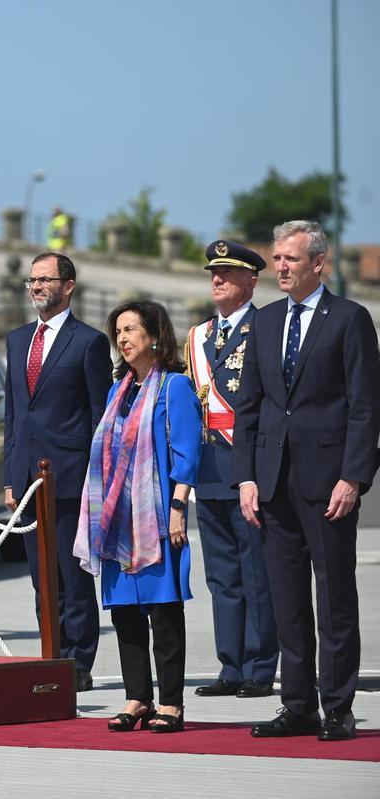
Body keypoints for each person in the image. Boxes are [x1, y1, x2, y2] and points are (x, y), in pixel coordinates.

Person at [235, 221, 380, 742]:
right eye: (276, 258)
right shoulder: (266, 323)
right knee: (288, 602)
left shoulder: (350, 320)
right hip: (272, 483)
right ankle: (296, 705)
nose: (280, 267)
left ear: (319, 262)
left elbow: (366, 407)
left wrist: (354, 477)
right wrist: (245, 478)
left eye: (290, 259)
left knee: (335, 599)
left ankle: (337, 706)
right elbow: (249, 408)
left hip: (329, 484)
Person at [75, 300, 201, 733]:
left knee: (163, 609)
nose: (124, 339)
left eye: (131, 330)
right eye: (119, 332)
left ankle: (171, 702)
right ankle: (137, 697)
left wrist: (178, 510)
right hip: (116, 519)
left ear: (154, 336)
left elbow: (187, 455)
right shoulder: (118, 391)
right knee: (125, 612)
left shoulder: (175, 388)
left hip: (157, 516)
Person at [3, 252, 110, 692]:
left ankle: (78, 661)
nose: (36, 287)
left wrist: (97, 478)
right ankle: (51, 652)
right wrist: (11, 476)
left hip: (71, 475)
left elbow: (98, 414)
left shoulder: (88, 342)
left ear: (68, 286)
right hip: (29, 480)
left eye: (45, 280)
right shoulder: (16, 339)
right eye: (32, 281)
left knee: (72, 575)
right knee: (41, 576)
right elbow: (15, 413)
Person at [184, 241, 278, 700]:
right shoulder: (198, 336)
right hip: (207, 468)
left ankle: (261, 666)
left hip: (250, 470)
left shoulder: (265, 328)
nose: (216, 279)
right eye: (213, 272)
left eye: (227, 272)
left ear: (250, 282)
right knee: (221, 575)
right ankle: (231, 664)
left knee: (256, 571)